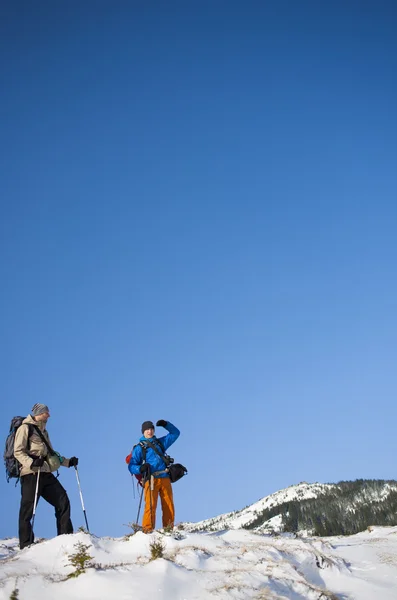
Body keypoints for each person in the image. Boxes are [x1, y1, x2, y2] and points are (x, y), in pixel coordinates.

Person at [14, 403, 79, 549]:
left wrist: (68, 462)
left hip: (45, 473)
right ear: (39, 413)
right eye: (46, 413)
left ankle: (65, 538)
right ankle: (25, 544)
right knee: (27, 509)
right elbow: (18, 452)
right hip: (31, 474)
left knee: (63, 500)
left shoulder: (44, 431)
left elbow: (51, 454)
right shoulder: (25, 428)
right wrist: (31, 463)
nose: (49, 415)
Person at [128, 419, 180, 532]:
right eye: (147, 429)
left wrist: (166, 424)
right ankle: (147, 530)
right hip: (150, 479)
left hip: (165, 477)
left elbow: (176, 433)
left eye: (151, 429)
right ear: (143, 432)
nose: (149, 431)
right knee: (150, 506)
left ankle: (168, 529)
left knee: (168, 505)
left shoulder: (160, 443)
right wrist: (140, 468)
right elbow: (131, 466)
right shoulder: (139, 448)